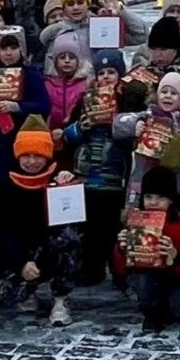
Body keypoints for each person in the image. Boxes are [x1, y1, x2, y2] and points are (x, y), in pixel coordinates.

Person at [0, 28, 51, 272]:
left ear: (21, 51)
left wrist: (18, 106)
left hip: (17, 150)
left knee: (16, 213)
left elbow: (44, 106)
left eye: (12, 48)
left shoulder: (31, 75)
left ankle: (20, 264)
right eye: (3, 48)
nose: (7, 53)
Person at [0, 116, 82, 327]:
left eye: (38, 155)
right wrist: (20, 262)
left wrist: (66, 188)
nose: (32, 162)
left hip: (48, 251)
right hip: (20, 255)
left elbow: (72, 224)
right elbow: (0, 230)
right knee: (6, 294)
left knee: (69, 239)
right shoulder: (4, 184)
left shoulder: (58, 179)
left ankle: (60, 298)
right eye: (27, 155)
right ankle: (27, 291)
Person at [113, 166, 180, 333]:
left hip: (179, 282)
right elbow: (121, 270)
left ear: (171, 200)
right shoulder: (134, 224)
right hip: (149, 279)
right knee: (142, 281)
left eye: (161, 198)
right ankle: (153, 312)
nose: (153, 203)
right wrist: (122, 249)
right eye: (148, 197)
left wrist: (176, 257)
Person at [61, 49, 131, 286]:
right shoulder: (85, 99)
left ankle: (119, 272)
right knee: (90, 229)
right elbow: (67, 136)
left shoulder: (127, 100)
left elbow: (136, 136)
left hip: (115, 177)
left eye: (111, 72)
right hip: (88, 177)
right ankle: (91, 269)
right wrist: (82, 127)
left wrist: (117, 124)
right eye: (102, 73)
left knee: (113, 228)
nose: (106, 78)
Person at [113, 72, 180, 207]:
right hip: (141, 184)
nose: (168, 96)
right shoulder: (146, 116)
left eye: (174, 93)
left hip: (174, 187)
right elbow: (117, 124)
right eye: (164, 91)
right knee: (138, 224)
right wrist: (134, 125)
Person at [130, 18, 180, 111]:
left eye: (163, 49)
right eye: (153, 49)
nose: (158, 54)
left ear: (175, 49)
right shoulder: (147, 70)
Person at [44, 31, 89, 132]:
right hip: (51, 132)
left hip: (78, 132)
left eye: (72, 57)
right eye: (62, 57)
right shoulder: (47, 83)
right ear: (55, 61)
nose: (67, 61)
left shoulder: (86, 83)